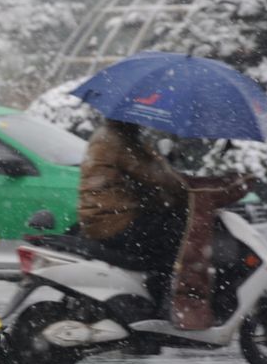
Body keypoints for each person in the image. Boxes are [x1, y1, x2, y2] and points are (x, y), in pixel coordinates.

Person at [77, 118, 188, 309]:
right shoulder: (120, 141)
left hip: (101, 217)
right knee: (178, 237)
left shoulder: (109, 135)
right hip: (114, 219)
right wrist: (186, 187)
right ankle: (164, 301)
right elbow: (153, 176)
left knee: (168, 229)